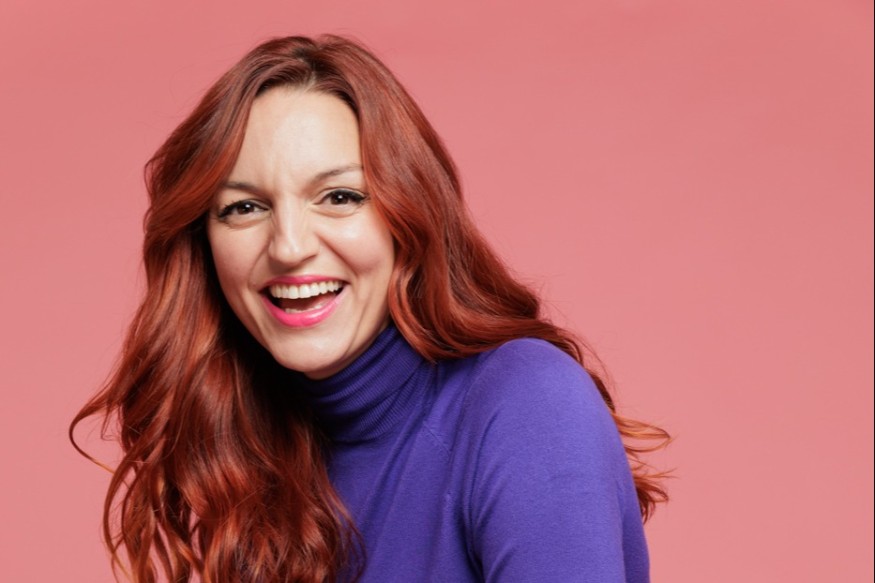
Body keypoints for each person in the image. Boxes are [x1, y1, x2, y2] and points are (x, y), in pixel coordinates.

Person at [71, 35, 669, 583]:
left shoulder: (527, 405)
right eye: (244, 208)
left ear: (408, 218)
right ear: (204, 245)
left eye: (339, 197)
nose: (288, 247)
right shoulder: (254, 462)